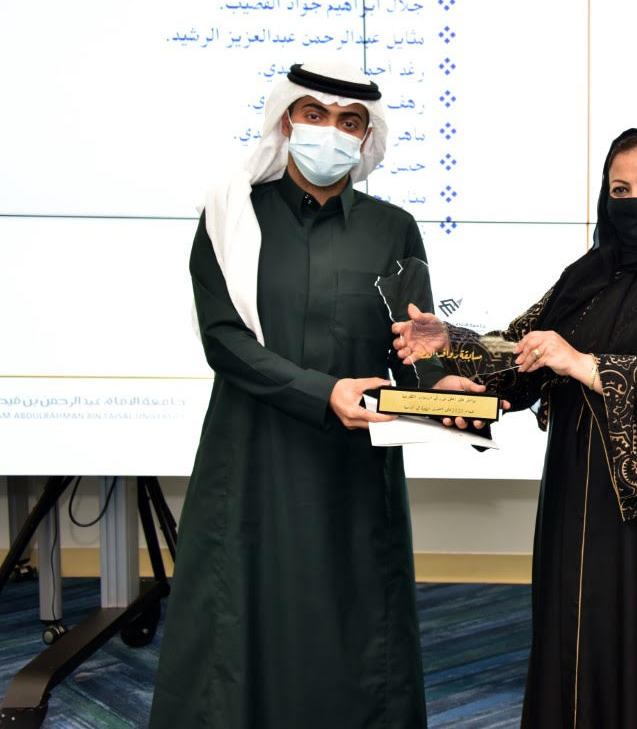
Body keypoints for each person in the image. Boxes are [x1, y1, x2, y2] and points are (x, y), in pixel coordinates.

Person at [393, 128, 637, 728]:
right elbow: (523, 351)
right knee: (581, 640)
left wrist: (585, 364)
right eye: (620, 190)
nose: (635, 201)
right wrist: (453, 347)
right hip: (581, 503)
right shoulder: (589, 277)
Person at [150, 62, 443, 728]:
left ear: (366, 137)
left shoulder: (393, 228)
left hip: (351, 471)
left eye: (349, 121)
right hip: (250, 457)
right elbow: (223, 340)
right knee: (238, 625)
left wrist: (452, 384)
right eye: (315, 114)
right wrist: (323, 392)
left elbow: (414, 349)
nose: (329, 131)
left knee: (353, 631)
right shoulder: (230, 215)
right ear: (287, 121)